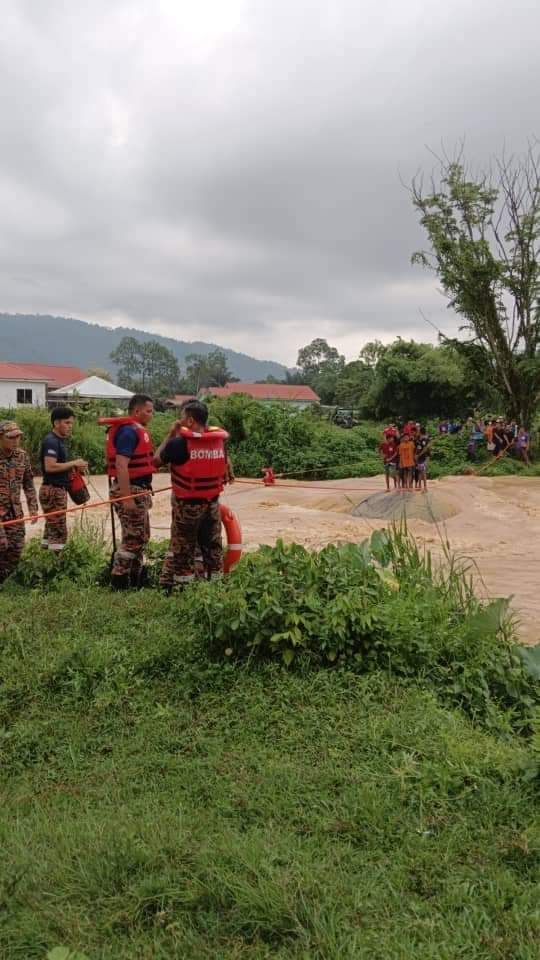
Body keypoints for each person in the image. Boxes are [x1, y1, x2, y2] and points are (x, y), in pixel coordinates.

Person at [154, 400, 231, 590]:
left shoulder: (179, 443)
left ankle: (183, 591)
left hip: (187, 506)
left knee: (183, 550)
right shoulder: (218, 441)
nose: (179, 421)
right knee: (213, 549)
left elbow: (155, 461)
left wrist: (170, 435)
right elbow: (226, 464)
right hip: (212, 504)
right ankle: (216, 589)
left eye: (181, 417)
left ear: (189, 420)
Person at [104, 394, 155, 590]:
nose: (151, 415)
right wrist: (127, 498)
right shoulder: (128, 432)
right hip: (130, 490)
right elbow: (121, 465)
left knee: (141, 536)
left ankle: (135, 579)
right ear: (136, 411)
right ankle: (119, 581)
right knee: (133, 538)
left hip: (139, 489)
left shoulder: (137, 431)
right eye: (148, 411)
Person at [39, 406, 87, 552]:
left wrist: (74, 467)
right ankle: (56, 568)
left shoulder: (59, 441)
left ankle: (44, 561)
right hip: (53, 490)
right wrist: (74, 463)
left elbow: (58, 466)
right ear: (56, 423)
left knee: (51, 529)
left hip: (56, 489)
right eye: (67, 423)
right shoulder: (51, 441)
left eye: (71, 423)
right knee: (59, 532)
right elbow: (50, 467)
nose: (69, 426)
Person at [0, 421, 39, 583]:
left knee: (16, 548)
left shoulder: (22, 456)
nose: (16, 440)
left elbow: (28, 483)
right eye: (11, 437)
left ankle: (3, 583)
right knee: (1, 545)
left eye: (18, 436)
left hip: (15, 512)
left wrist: (33, 507)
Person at [415, 426, 431, 492]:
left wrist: (419, 455)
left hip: (424, 457)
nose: (417, 432)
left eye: (418, 430)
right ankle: (419, 486)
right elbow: (418, 448)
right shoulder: (419, 439)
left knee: (423, 472)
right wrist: (416, 455)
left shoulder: (424, 439)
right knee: (419, 472)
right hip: (419, 457)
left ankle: (425, 487)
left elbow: (425, 449)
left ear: (420, 431)